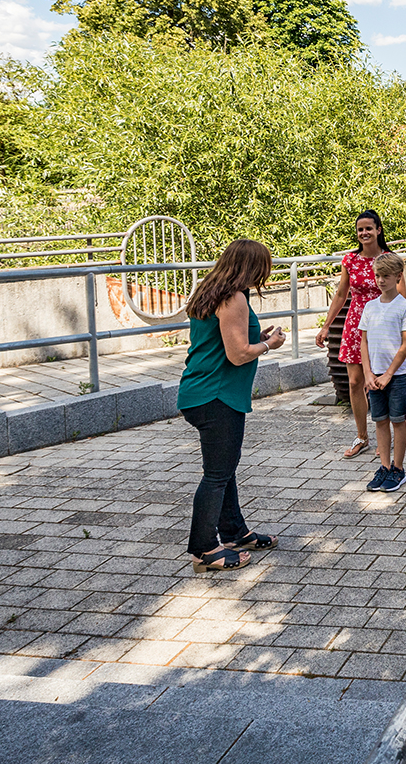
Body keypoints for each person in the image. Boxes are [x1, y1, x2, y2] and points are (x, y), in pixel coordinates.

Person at [176, 239, 286, 571]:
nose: (263, 275)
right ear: (250, 266)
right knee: (217, 475)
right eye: (262, 268)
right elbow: (237, 354)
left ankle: (235, 531)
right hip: (217, 396)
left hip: (201, 392)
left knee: (225, 469)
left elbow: (225, 340)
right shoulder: (233, 297)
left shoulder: (209, 290)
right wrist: (269, 344)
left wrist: (258, 338)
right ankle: (204, 550)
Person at [317, 210, 389, 463]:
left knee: (381, 382)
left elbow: (401, 296)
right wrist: (326, 325)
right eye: (360, 229)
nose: (364, 233)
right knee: (355, 382)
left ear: (378, 230)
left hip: (381, 326)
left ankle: (384, 438)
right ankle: (362, 436)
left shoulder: (390, 260)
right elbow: (340, 294)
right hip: (355, 324)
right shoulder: (349, 260)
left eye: (369, 228)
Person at [356, 252, 406, 493]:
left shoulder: (404, 307)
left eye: (386, 276)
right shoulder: (370, 307)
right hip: (374, 377)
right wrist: (368, 374)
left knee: (397, 420)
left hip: (397, 376)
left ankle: (398, 468)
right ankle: (383, 466)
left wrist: (389, 374)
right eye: (378, 276)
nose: (381, 280)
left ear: (398, 276)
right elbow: (363, 342)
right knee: (380, 421)